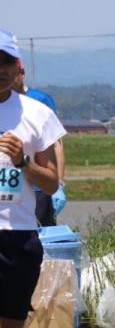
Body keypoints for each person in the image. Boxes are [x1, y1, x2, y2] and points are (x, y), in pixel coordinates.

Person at [0, 28, 65, 328]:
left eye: (5, 61)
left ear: (17, 67)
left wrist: (24, 161)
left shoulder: (36, 115)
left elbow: (53, 182)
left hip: (17, 238)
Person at [10, 60, 66, 226]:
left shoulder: (40, 101)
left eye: (15, 73)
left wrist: (59, 182)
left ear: (22, 73)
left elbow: (56, 144)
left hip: (38, 185)